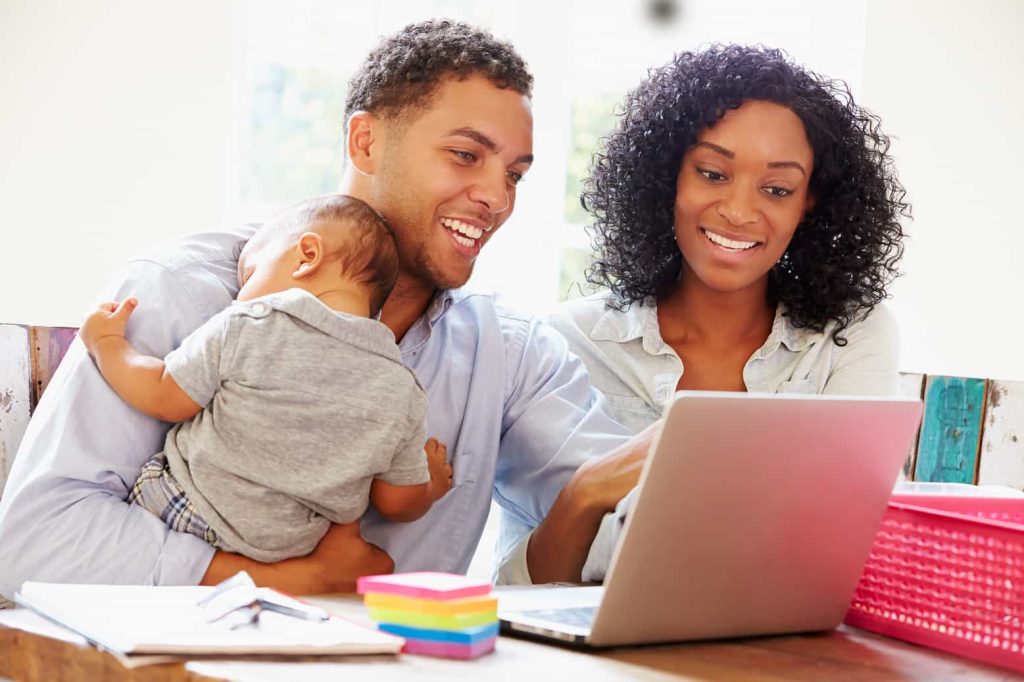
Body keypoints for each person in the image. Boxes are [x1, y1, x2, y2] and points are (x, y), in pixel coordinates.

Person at [0, 20, 648, 598]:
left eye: (515, 174)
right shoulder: (182, 291)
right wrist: (286, 583)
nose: (495, 197)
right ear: (365, 143)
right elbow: (34, 541)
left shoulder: (508, 353)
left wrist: (629, 493)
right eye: (465, 155)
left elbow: (621, 510)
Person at [550, 44, 910, 579]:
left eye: (777, 188)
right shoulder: (570, 343)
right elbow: (536, 580)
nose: (740, 211)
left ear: (809, 202)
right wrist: (586, 496)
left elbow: (855, 543)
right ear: (668, 175)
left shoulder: (848, 336)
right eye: (713, 174)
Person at [78, 195, 453, 563]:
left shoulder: (252, 322)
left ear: (307, 256)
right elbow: (396, 502)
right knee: (373, 563)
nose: (241, 292)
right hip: (287, 552)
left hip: (187, 510)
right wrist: (432, 484)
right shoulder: (402, 389)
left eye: (249, 273)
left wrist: (107, 343)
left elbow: (164, 395)